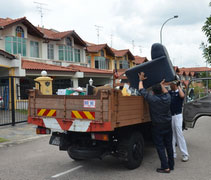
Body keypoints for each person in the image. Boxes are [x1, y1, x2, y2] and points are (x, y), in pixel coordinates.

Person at [138, 72, 174, 173]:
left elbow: (141, 90)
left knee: (160, 147)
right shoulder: (167, 98)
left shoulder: (152, 99)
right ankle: (171, 165)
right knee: (169, 145)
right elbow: (166, 91)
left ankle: (165, 167)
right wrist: (162, 84)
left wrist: (141, 80)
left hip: (158, 126)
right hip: (167, 124)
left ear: (153, 92)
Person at [169, 81, 189, 162]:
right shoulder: (170, 92)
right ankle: (173, 154)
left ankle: (185, 154)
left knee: (179, 135)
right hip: (171, 116)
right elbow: (164, 91)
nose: (170, 85)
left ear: (175, 85)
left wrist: (179, 86)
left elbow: (182, 95)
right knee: (172, 135)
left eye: (171, 84)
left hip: (178, 116)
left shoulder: (180, 91)